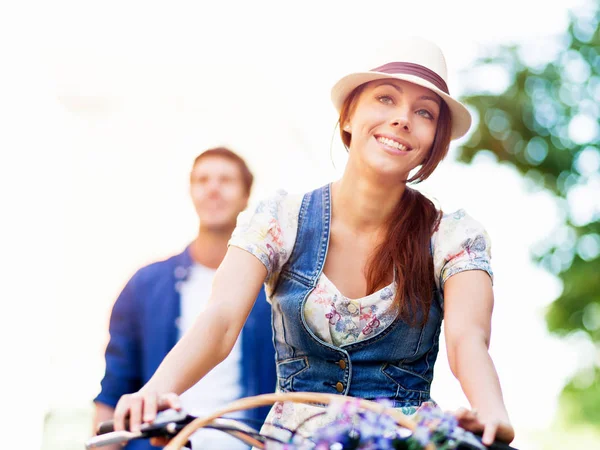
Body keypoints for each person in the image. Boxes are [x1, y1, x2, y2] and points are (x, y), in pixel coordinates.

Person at [112, 37, 515, 447]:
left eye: (424, 112)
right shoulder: (278, 220)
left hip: (401, 440)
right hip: (293, 441)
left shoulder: (454, 238)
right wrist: (156, 391)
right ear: (347, 117)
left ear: (435, 141)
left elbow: (468, 340)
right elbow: (220, 319)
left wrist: (491, 412)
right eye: (385, 99)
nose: (402, 119)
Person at [93, 147, 277, 450]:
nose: (213, 188)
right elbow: (114, 391)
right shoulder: (144, 285)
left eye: (226, 180)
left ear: (247, 196)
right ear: (191, 192)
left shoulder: (273, 289)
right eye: (202, 180)